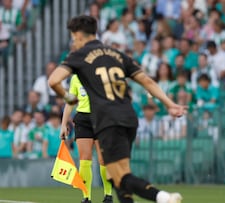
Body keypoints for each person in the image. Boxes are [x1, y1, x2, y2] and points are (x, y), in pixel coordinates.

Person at [48, 15, 186, 203]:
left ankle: (162, 197)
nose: (74, 40)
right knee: (117, 177)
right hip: (129, 118)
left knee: (120, 177)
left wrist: (67, 96)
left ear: (78, 35)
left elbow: (53, 80)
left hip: (107, 120)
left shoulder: (79, 56)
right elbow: (146, 81)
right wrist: (170, 104)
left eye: (73, 37)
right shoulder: (116, 54)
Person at [60, 74, 113, 203]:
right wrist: (63, 124)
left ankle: (108, 195)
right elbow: (70, 102)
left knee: (103, 158)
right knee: (85, 158)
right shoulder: (75, 78)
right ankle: (86, 197)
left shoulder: (104, 74)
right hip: (83, 119)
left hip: (102, 118)